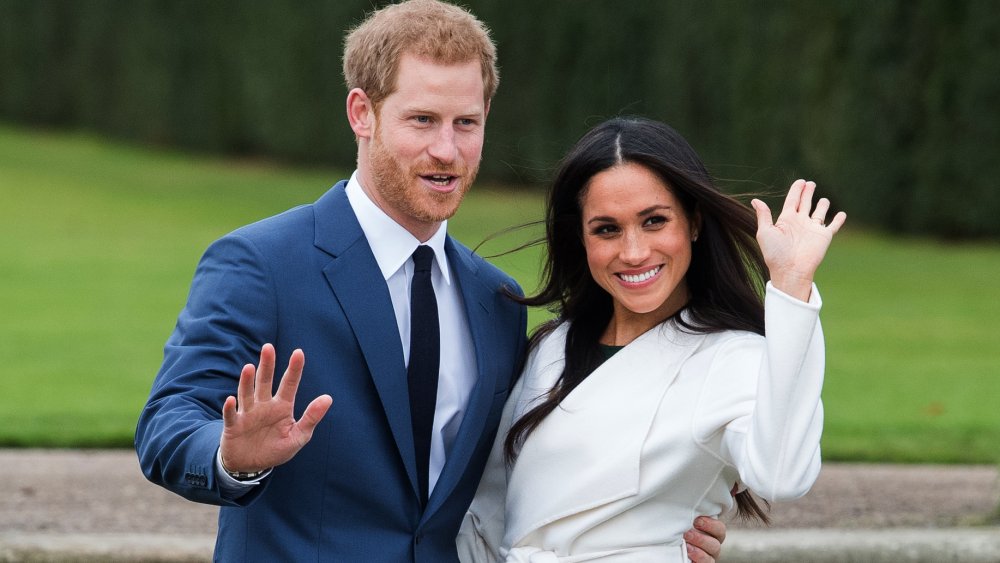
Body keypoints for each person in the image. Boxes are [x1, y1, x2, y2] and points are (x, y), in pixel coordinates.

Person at [134, 2, 725, 561]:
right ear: (361, 113)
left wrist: (650, 524)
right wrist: (232, 459)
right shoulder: (261, 264)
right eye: (422, 120)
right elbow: (167, 422)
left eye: (465, 123)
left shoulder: (495, 299)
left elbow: (522, 472)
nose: (447, 150)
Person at [458, 116, 847, 562]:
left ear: (693, 223)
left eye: (654, 221)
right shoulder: (550, 347)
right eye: (607, 229)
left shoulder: (733, 358)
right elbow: (487, 510)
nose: (635, 252)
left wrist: (792, 287)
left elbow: (782, 475)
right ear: (581, 239)